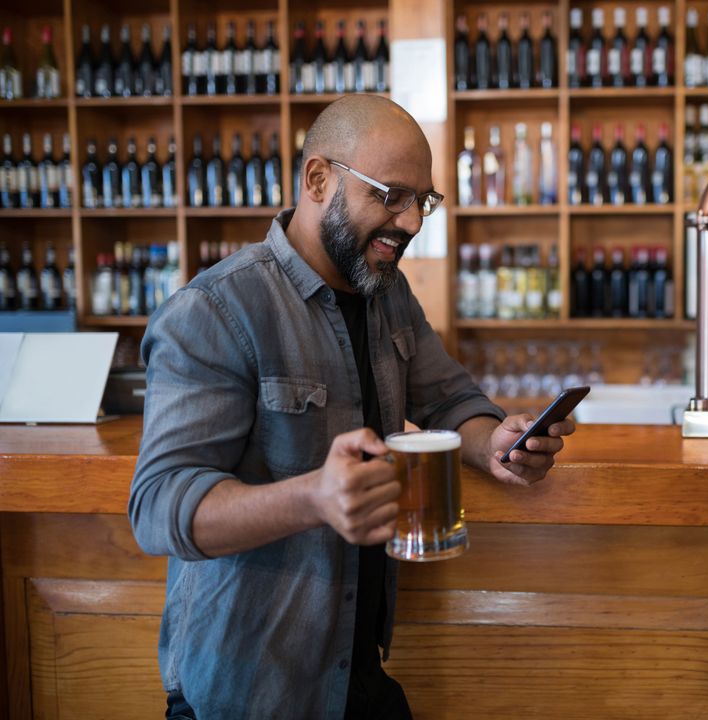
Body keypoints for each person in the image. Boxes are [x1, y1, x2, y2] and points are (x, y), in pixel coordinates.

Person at [128, 95, 576, 719]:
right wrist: (313, 497)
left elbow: (449, 398)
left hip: (357, 674)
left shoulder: (386, 294)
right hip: (249, 691)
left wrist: (494, 444)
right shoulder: (216, 311)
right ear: (318, 179)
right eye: (391, 195)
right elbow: (157, 508)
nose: (413, 221)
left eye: (423, 200)